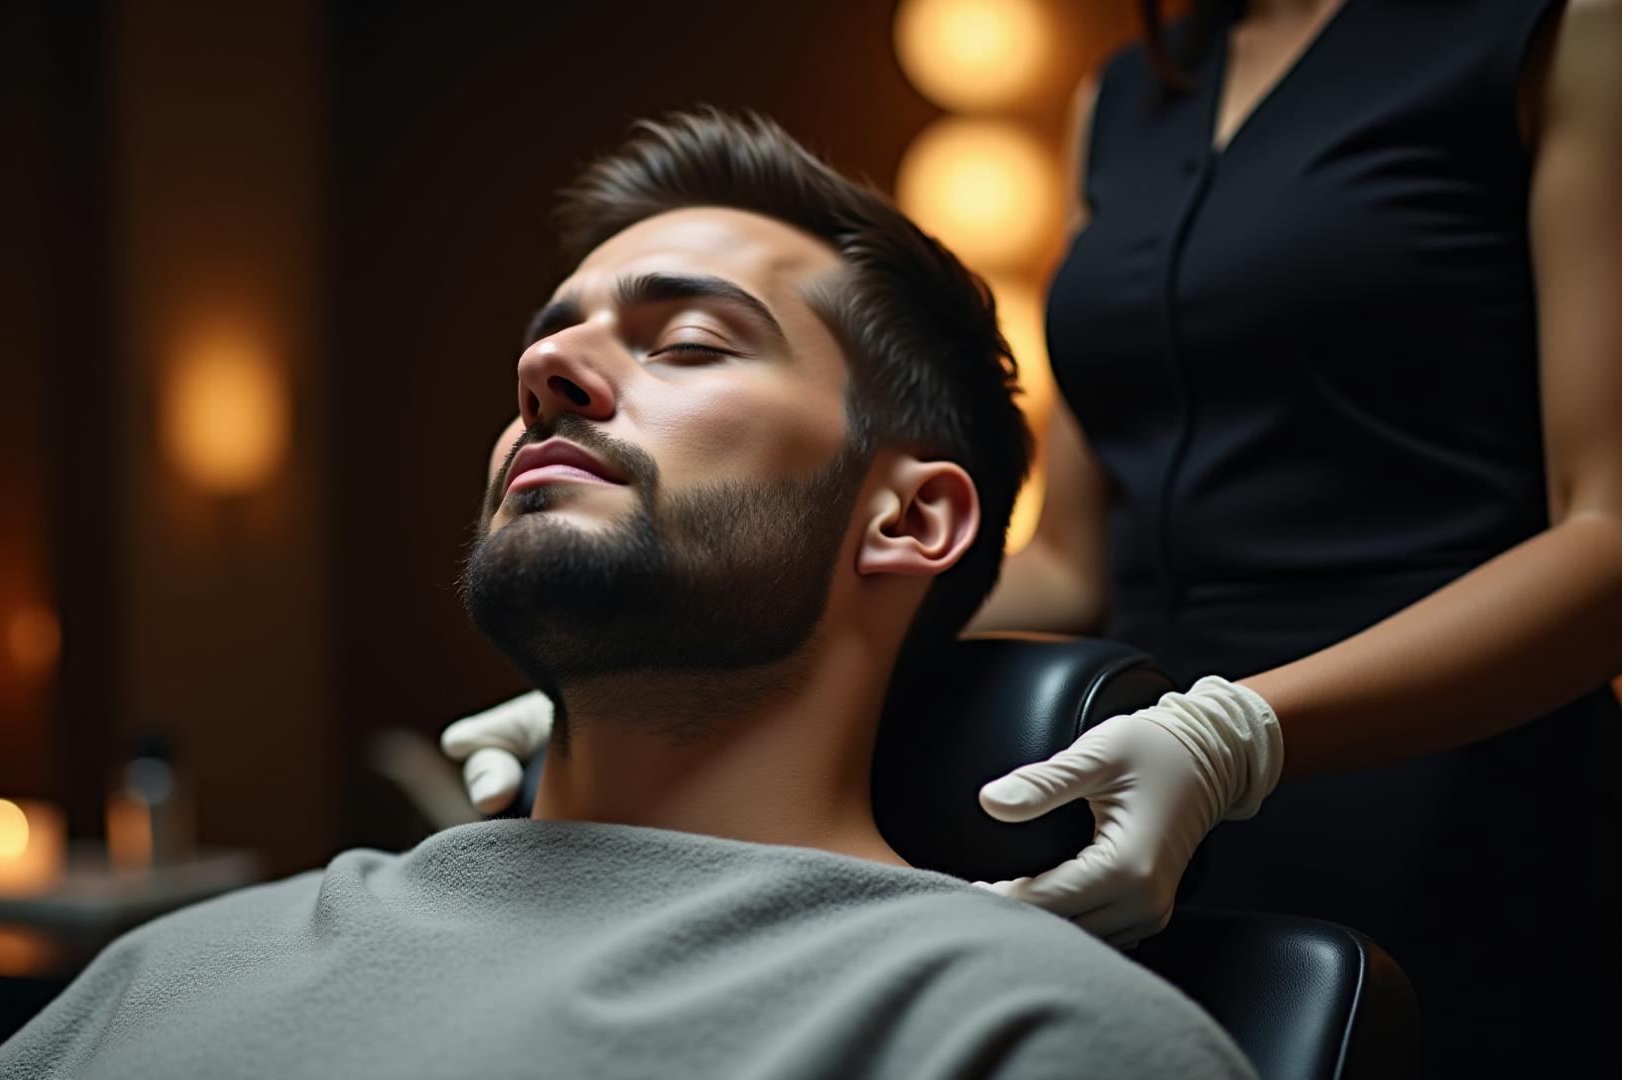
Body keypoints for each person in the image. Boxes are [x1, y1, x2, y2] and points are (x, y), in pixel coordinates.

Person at [444, 2, 1621, 1076]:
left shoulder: (1560, 32)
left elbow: (1611, 529)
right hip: (1122, 773)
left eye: (690, 341)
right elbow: (1067, 558)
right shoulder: (1125, 98)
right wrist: (663, 678)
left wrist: (1243, 736)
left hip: (1443, 754)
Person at [0, 109, 1259, 1080]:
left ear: (909, 516)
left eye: (688, 342)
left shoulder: (1011, 1032)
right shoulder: (175, 970)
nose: (546, 370)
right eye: (550, 338)